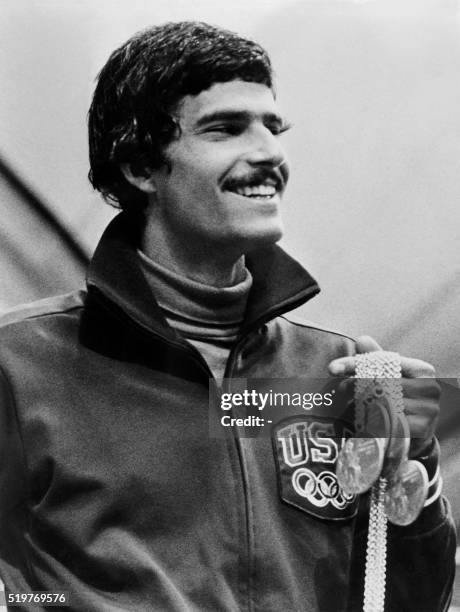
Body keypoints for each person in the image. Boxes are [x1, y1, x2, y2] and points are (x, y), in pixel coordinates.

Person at [0, 21, 455, 612]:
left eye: (274, 127)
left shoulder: (342, 373)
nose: (269, 153)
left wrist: (414, 467)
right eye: (227, 128)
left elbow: (413, 601)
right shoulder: (21, 362)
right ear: (141, 166)